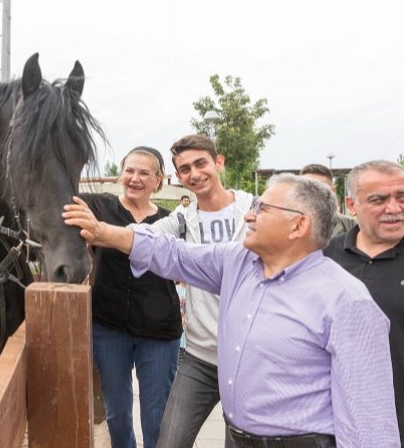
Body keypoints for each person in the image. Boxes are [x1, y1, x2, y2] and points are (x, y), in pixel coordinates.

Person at [64, 173, 400, 447]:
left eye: (262, 209)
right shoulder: (239, 262)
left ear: (299, 226)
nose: (249, 215)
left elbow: (370, 424)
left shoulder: (346, 302)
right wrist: (103, 232)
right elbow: (175, 254)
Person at [127, 134, 251, 448]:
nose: (194, 174)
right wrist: (98, 230)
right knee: (169, 441)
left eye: (200, 163)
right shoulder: (180, 219)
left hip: (250, 358)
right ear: (178, 177)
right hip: (200, 357)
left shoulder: (255, 210)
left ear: (218, 162)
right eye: (184, 169)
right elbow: (141, 239)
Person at [82, 146, 182, 448]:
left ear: (158, 181)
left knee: (156, 418)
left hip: (159, 333)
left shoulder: (172, 221)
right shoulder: (98, 207)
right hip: (108, 329)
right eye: (129, 171)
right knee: (117, 416)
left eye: (144, 173)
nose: (135, 178)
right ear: (121, 174)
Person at [324, 159, 404, 444]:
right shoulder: (324, 258)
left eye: (401, 197)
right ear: (351, 204)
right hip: (336, 426)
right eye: (379, 199)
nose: (393, 208)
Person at [299, 163, 356, 236]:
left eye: (321, 189)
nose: (314, 194)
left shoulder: (352, 227)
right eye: (308, 188)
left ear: (332, 191)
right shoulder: (285, 226)